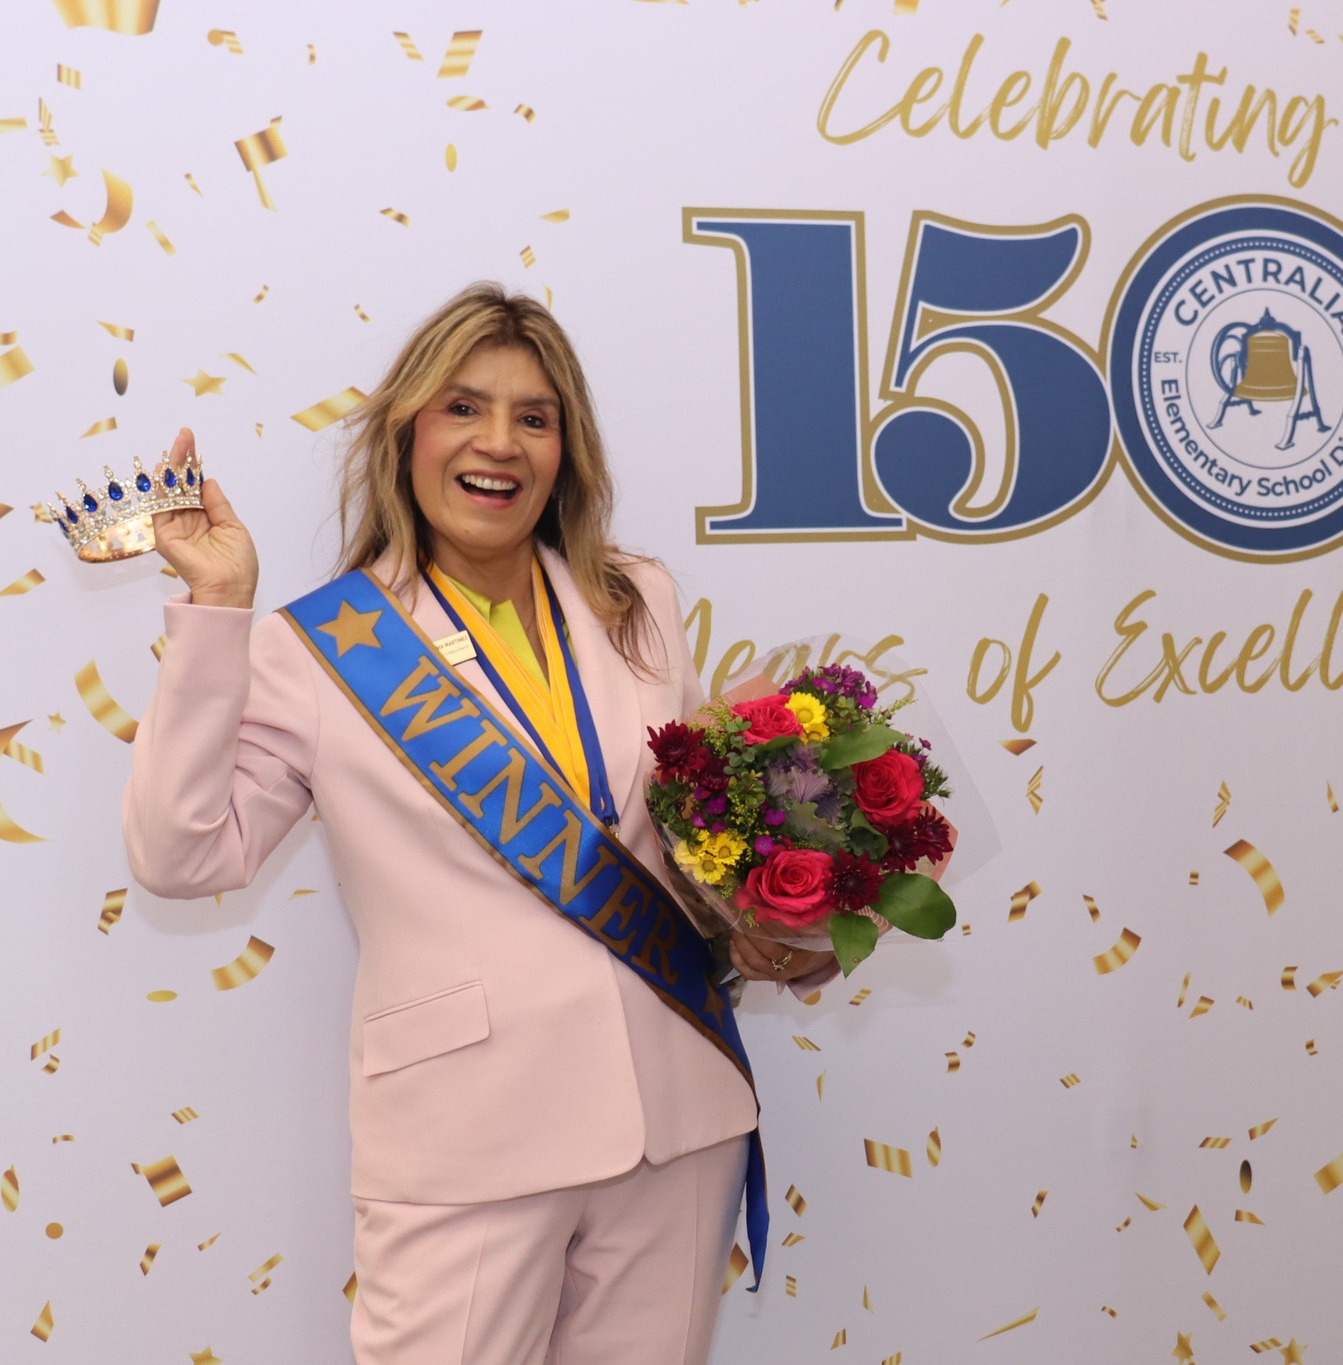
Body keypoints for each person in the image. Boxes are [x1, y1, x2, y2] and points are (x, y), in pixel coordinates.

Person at [123, 283, 835, 1365]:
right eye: (462, 407)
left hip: (676, 1118)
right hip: (469, 1140)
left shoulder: (635, 600)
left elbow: (681, 842)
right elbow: (180, 855)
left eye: (533, 417)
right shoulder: (321, 649)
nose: (498, 442)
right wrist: (219, 610)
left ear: (565, 451)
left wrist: (773, 926)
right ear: (406, 432)